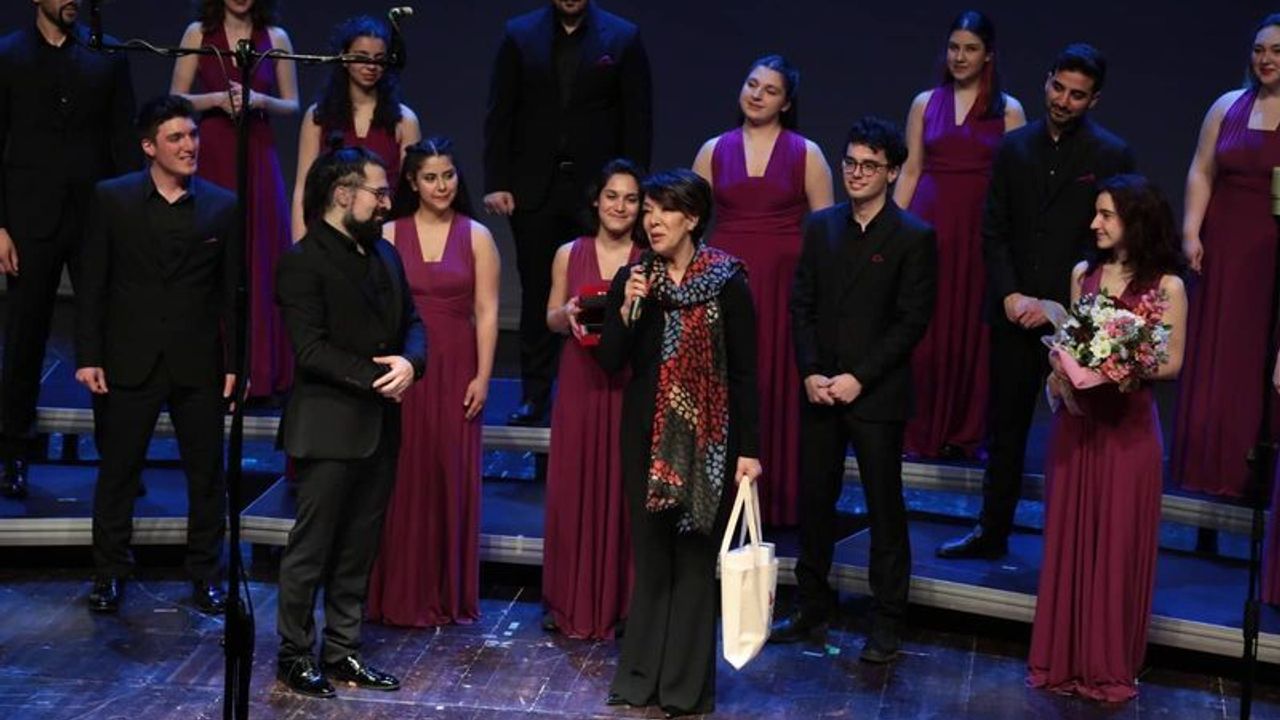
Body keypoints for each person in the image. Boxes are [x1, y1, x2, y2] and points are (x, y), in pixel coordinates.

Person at [937, 43, 1134, 560]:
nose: (1063, 101)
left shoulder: (1111, 154)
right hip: (1013, 311)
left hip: (1076, 317)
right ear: (1046, 81)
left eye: (1077, 95)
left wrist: (1058, 303)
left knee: (1080, 431)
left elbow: (1106, 239)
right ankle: (991, 531)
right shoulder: (1014, 146)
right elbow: (994, 228)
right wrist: (1010, 294)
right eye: (1057, 88)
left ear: (1094, 100)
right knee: (1004, 428)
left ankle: (1077, 542)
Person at [771, 117, 937, 663]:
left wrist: (859, 377)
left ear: (891, 172)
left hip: (876, 395)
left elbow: (911, 322)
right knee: (815, 502)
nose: (857, 173)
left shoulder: (913, 236)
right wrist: (810, 372)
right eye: (850, 162)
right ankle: (811, 605)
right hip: (820, 389)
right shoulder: (821, 227)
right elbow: (801, 305)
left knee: (884, 507)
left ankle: (887, 620)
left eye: (870, 165)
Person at [595, 169, 760, 716]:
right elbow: (611, 360)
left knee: (693, 561)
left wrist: (749, 450)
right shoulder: (635, 278)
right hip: (646, 436)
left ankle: (685, 689)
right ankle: (639, 679)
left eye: (664, 210)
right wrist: (626, 310)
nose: (652, 221)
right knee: (652, 558)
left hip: (708, 444)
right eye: (648, 210)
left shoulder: (727, 280)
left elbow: (745, 373)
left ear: (691, 218)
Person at [75, 95, 238, 615]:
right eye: (176, 138)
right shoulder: (112, 198)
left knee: (206, 475)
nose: (190, 146)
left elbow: (233, 295)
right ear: (149, 146)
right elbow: (93, 283)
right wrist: (88, 354)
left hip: (197, 361)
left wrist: (235, 362)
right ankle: (109, 573)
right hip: (129, 357)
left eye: (193, 135)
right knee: (119, 472)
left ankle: (206, 574)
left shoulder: (221, 206)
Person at [274, 145, 426, 697]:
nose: (387, 202)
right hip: (329, 427)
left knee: (360, 546)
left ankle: (343, 650)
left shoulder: (385, 253)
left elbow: (414, 322)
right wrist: (380, 377)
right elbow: (310, 349)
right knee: (312, 549)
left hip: (380, 425)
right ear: (343, 194)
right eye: (378, 192)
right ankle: (294, 653)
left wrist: (411, 363)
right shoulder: (303, 260)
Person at [1028, 175, 1187, 702]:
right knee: (1070, 540)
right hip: (1079, 426)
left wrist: (1122, 360)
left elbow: (1172, 362)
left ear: (1135, 220)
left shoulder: (1167, 287)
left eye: (1107, 215)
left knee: (1116, 546)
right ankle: (1065, 657)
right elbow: (1071, 341)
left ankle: (1106, 663)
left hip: (1128, 432)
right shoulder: (1084, 275)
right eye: (1095, 213)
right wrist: (1064, 365)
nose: (1094, 223)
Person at [484, 0, 652, 426]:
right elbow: (501, 111)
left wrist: (635, 190)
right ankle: (535, 395)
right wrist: (497, 180)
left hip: (599, 190)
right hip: (534, 189)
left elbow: (637, 119)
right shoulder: (520, 33)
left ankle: (600, 387)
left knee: (605, 286)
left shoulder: (622, 36)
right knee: (538, 291)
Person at [0, 0, 139, 499]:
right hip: (29, 218)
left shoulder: (107, 55)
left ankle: (117, 460)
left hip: (95, 217)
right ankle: (13, 453)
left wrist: (132, 218)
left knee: (105, 335)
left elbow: (124, 141)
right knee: (24, 338)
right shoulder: (9, 55)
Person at [691, 54, 833, 526]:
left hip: (782, 289)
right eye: (752, 84)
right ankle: (716, 497)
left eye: (770, 90)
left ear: (786, 103)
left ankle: (777, 500)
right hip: (723, 284)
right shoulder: (713, 150)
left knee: (775, 381)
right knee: (724, 378)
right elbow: (689, 224)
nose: (757, 95)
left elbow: (827, 235)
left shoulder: (806, 154)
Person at [366, 137, 500, 627]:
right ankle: (396, 593)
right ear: (412, 182)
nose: (441, 186)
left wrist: (483, 376)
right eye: (430, 178)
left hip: (457, 367)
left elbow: (487, 312)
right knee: (401, 477)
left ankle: (444, 593)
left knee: (449, 477)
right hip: (404, 365)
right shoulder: (389, 233)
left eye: (448, 175)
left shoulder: (477, 236)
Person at [895, 10, 1026, 460]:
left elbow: (1014, 183)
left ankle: (965, 432)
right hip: (930, 223)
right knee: (925, 323)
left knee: (974, 327)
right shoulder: (924, 102)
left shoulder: (1008, 110)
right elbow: (911, 169)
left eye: (970, 49)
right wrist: (891, 229)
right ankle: (920, 427)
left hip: (979, 229)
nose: (960, 56)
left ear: (988, 54)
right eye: (954, 47)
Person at [1172, 14, 1280, 498]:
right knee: (1216, 348)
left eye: (1276, 51)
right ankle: (1204, 461)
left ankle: (1249, 468)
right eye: (1259, 50)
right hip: (1224, 244)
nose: (1265, 59)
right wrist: (1191, 231)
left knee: (1257, 350)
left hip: (1271, 251)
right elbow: (1202, 169)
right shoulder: (1227, 105)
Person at [170, 0, 298, 399]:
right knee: (213, 252)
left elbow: (292, 103)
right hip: (213, 149)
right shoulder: (198, 33)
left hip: (257, 148)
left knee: (259, 254)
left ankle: (258, 371)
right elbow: (176, 97)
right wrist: (216, 100)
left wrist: (259, 100)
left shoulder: (275, 37)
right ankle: (212, 368)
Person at [542, 158, 645, 639]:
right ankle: (568, 598)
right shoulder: (569, 253)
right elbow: (550, 319)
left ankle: (622, 603)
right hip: (580, 381)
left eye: (630, 199)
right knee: (573, 487)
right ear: (596, 200)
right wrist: (565, 312)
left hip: (627, 383)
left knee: (624, 490)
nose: (620, 207)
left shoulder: (648, 257)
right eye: (612, 196)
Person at [291, 14, 420, 240]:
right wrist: (300, 242)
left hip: (382, 233)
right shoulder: (318, 116)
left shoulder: (404, 120)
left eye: (379, 59)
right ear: (344, 58)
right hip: (327, 234)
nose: (371, 66)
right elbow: (303, 186)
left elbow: (410, 193)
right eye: (362, 57)